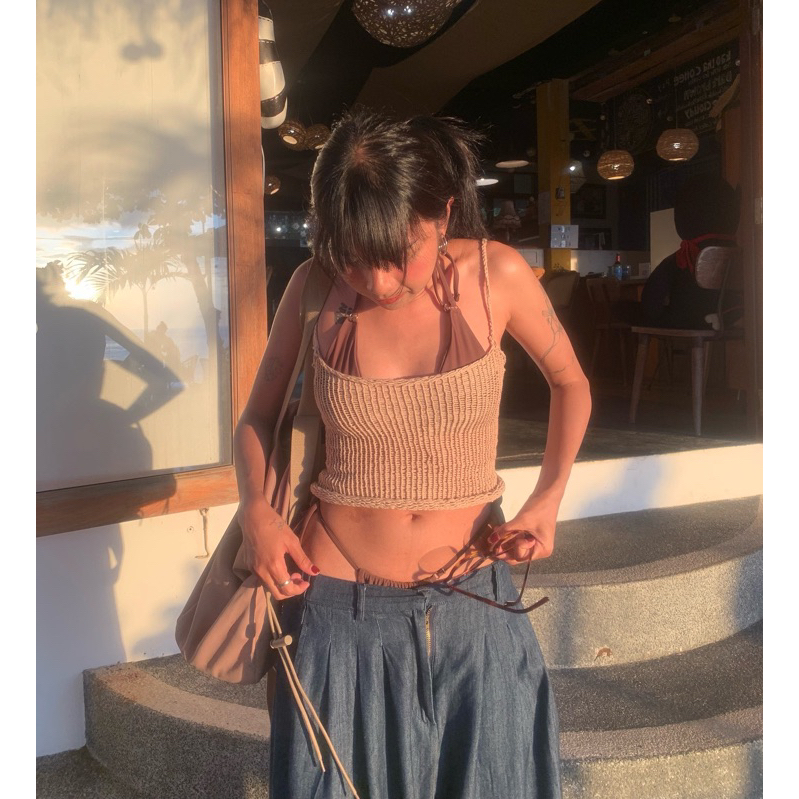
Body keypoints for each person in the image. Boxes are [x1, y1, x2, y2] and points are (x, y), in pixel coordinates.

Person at [233, 110, 591, 798]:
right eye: (353, 253)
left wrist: (547, 499)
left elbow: (570, 382)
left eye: (401, 251)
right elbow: (257, 415)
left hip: (476, 601)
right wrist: (257, 511)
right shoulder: (313, 289)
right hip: (337, 607)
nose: (378, 279)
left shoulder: (496, 276)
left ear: (444, 212)